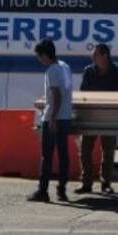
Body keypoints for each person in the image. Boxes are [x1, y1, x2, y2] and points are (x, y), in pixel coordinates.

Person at [76, 43, 118, 194]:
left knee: (108, 150)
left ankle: (106, 183)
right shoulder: (89, 71)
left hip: (109, 116)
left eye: (95, 54)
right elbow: (83, 92)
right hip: (90, 115)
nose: (92, 57)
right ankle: (86, 182)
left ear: (104, 55)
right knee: (85, 150)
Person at [28, 38, 73, 202]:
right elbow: (66, 91)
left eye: (40, 56)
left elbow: (57, 94)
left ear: (46, 55)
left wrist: (53, 118)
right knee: (63, 155)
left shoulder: (52, 71)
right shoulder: (65, 67)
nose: (40, 60)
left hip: (54, 118)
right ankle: (62, 191)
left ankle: (43, 191)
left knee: (47, 156)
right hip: (66, 117)